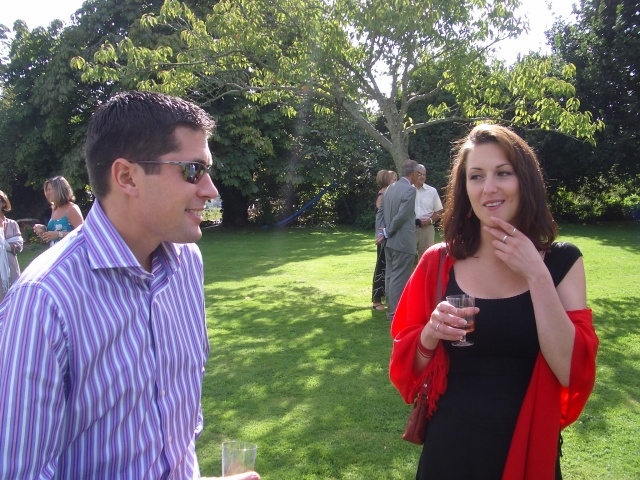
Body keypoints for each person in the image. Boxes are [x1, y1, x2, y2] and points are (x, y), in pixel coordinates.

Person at [0, 91, 259, 480]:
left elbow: (173, 443)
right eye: (193, 170)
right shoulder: (43, 301)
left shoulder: (187, 265)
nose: (211, 190)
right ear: (126, 177)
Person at [389, 124, 598, 479]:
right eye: (476, 176)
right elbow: (406, 371)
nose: (489, 188)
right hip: (449, 452)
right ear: (465, 188)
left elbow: (571, 370)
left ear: (525, 180)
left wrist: (536, 275)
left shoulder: (562, 262)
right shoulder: (439, 263)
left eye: (503, 173)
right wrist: (430, 333)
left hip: (528, 447)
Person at [376, 159, 420, 321]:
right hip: (402, 241)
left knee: (390, 276)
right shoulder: (410, 190)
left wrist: (380, 233)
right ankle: (395, 314)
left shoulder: (390, 188)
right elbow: (402, 215)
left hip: (389, 242)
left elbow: (380, 213)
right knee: (399, 278)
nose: (419, 176)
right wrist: (386, 232)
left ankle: (391, 311)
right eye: (418, 173)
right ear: (413, 174)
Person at [371, 169, 398, 310]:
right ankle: (376, 300)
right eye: (394, 179)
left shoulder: (389, 194)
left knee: (389, 266)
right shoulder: (382, 195)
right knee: (381, 266)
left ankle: (388, 297)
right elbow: (383, 217)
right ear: (386, 180)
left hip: (389, 234)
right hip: (383, 235)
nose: (396, 182)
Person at [33, 176, 84, 247]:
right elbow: (54, 233)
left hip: (70, 251)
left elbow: (82, 234)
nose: (47, 193)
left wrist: (59, 234)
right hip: (56, 252)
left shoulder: (72, 208)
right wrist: (44, 229)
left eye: (49, 190)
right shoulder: (55, 208)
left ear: (59, 190)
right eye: (46, 190)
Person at [413, 164, 443, 260]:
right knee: (407, 260)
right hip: (410, 229)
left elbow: (439, 210)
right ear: (414, 174)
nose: (422, 177)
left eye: (424, 174)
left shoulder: (432, 191)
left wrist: (430, 220)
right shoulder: (407, 190)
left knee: (426, 260)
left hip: (427, 230)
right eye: (420, 174)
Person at [0, 190, 23, 303]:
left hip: (11, 266)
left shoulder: (12, 224)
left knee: (14, 299)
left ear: (4, 203)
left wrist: (5, 246)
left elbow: (19, 245)